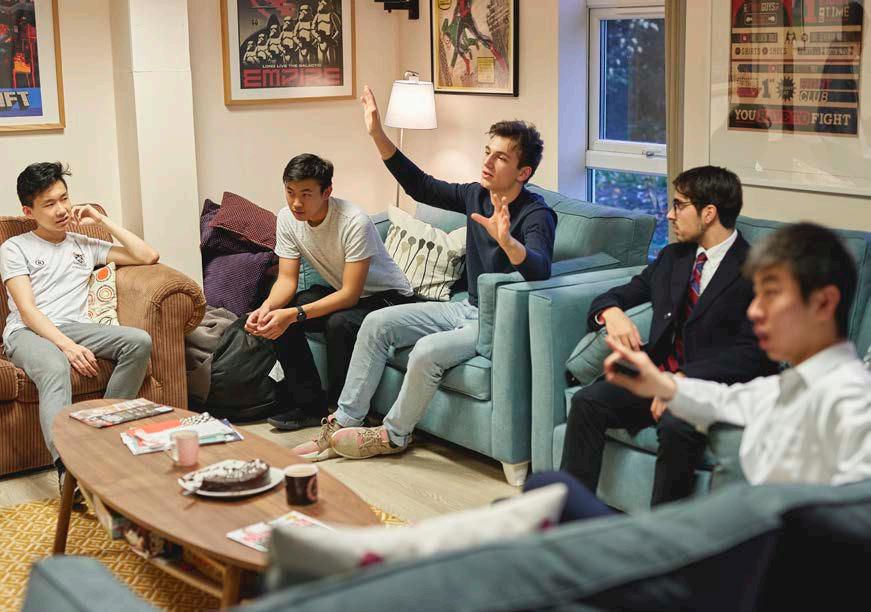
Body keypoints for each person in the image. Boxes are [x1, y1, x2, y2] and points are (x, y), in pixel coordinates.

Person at [531, 222, 871, 521]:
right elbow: (723, 399)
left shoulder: (855, 405)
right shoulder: (780, 389)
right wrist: (662, 383)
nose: (755, 311)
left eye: (770, 295)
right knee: (548, 489)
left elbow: (845, 531)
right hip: (726, 537)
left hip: (742, 552)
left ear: (823, 303)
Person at [290, 85, 556, 462]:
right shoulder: (476, 195)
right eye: (487, 151)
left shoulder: (537, 214)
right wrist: (377, 134)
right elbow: (420, 186)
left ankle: (393, 435)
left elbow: (540, 269)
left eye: (500, 157)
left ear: (523, 172)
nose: (488, 162)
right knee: (376, 324)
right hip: (464, 308)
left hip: (500, 322)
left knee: (426, 351)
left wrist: (508, 241)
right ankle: (343, 423)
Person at [563, 166, 777, 507]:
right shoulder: (673, 257)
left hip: (709, 387)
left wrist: (683, 380)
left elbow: (754, 353)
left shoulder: (756, 270)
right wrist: (612, 313)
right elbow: (618, 295)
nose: (669, 214)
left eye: (679, 205)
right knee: (587, 401)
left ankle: (663, 531)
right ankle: (572, 514)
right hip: (656, 374)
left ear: (708, 213)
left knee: (677, 427)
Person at [1, 162, 158, 489]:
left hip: (74, 326)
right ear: (29, 212)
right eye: (49, 204)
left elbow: (147, 256)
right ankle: (68, 471)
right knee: (55, 365)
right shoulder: (14, 247)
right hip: (27, 332)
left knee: (139, 341)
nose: (61, 210)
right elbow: (27, 310)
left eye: (64, 198)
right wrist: (67, 347)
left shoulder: (82, 244)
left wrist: (102, 220)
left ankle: (100, 436)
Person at [246, 153, 414, 436]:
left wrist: (295, 314)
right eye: (290, 192)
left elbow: (350, 295)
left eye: (306, 194)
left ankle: (345, 415)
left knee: (339, 323)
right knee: (279, 315)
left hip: (388, 298)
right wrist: (266, 307)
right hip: (345, 294)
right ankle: (310, 407)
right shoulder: (286, 218)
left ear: (327, 192)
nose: (296, 202)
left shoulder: (353, 221)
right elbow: (287, 280)